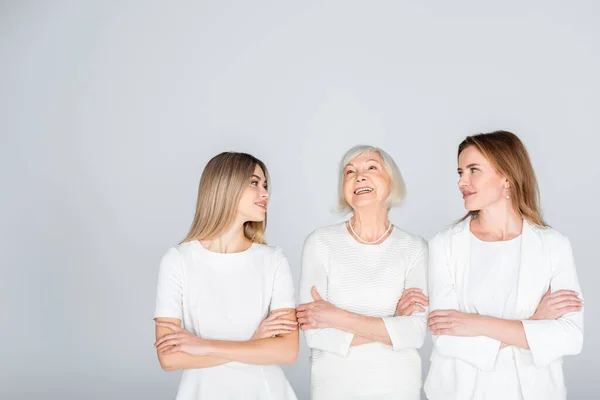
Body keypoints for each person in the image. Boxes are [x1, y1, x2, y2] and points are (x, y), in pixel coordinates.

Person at [425, 131, 584, 400]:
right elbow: (445, 336)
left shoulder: (553, 245)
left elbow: (570, 337)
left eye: (473, 170)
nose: (462, 181)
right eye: (460, 172)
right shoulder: (444, 245)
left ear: (507, 177)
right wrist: (534, 323)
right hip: (461, 392)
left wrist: (474, 323)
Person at [153, 152, 299, 399]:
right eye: (254, 183)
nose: (265, 194)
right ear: (225, 186)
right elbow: (169, 358)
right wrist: (253, 343)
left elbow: (287, 351)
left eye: (265, 185)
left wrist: (202, 346)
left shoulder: (273, 260)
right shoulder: (177, 261)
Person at [297, 145, 429, 400]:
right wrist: (392, 324)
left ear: (391, 181)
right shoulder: (320, 242)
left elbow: (414, 332)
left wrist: (335, 316)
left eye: (371, 167)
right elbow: (315, 333)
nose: (359, 176)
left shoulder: (415, 247)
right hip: (334, 389)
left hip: (398, 388)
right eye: (350, 172)